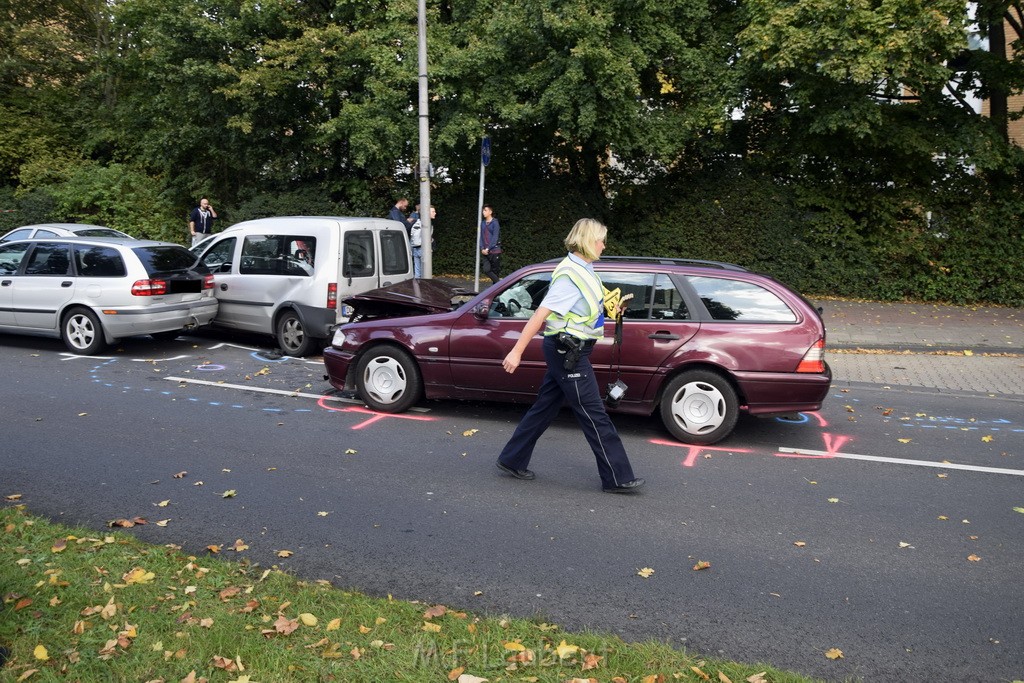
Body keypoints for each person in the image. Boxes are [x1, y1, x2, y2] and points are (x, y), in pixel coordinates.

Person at [495, 218, 645, 494]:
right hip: (567, 351)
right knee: (594, 413)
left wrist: (615, 310)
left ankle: (511, 459)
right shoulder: (569, 275)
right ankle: (617, 477)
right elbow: (540, 315)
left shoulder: (586, 270)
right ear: (588, 241)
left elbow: (590, 308)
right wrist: (516, 352)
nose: (604, 245)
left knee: (545, 407)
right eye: (600, 239)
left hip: (570, 349)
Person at [409, 204, 436, 279]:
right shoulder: (427, 224)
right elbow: (428, 239)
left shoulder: (418, 222)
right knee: (426, 273)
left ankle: (417, 288)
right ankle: (423, 289)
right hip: (423, 249)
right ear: (427, 213)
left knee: (417, 273)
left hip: (415, 248)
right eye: (433, 211)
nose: (435, 213)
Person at [479, 204, 502, 283]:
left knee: (495, 273)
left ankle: (497, 289)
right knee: (486, 270)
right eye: (483, 210)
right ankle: (500, 284)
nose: (483, 212)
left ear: (490, 212)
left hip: (494, 251)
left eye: (485, 210)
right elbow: (481, 237)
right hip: (485, 252)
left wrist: (488, 248)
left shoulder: (495, 223)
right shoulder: (482, 223)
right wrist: (482, 248)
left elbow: (495, 237)